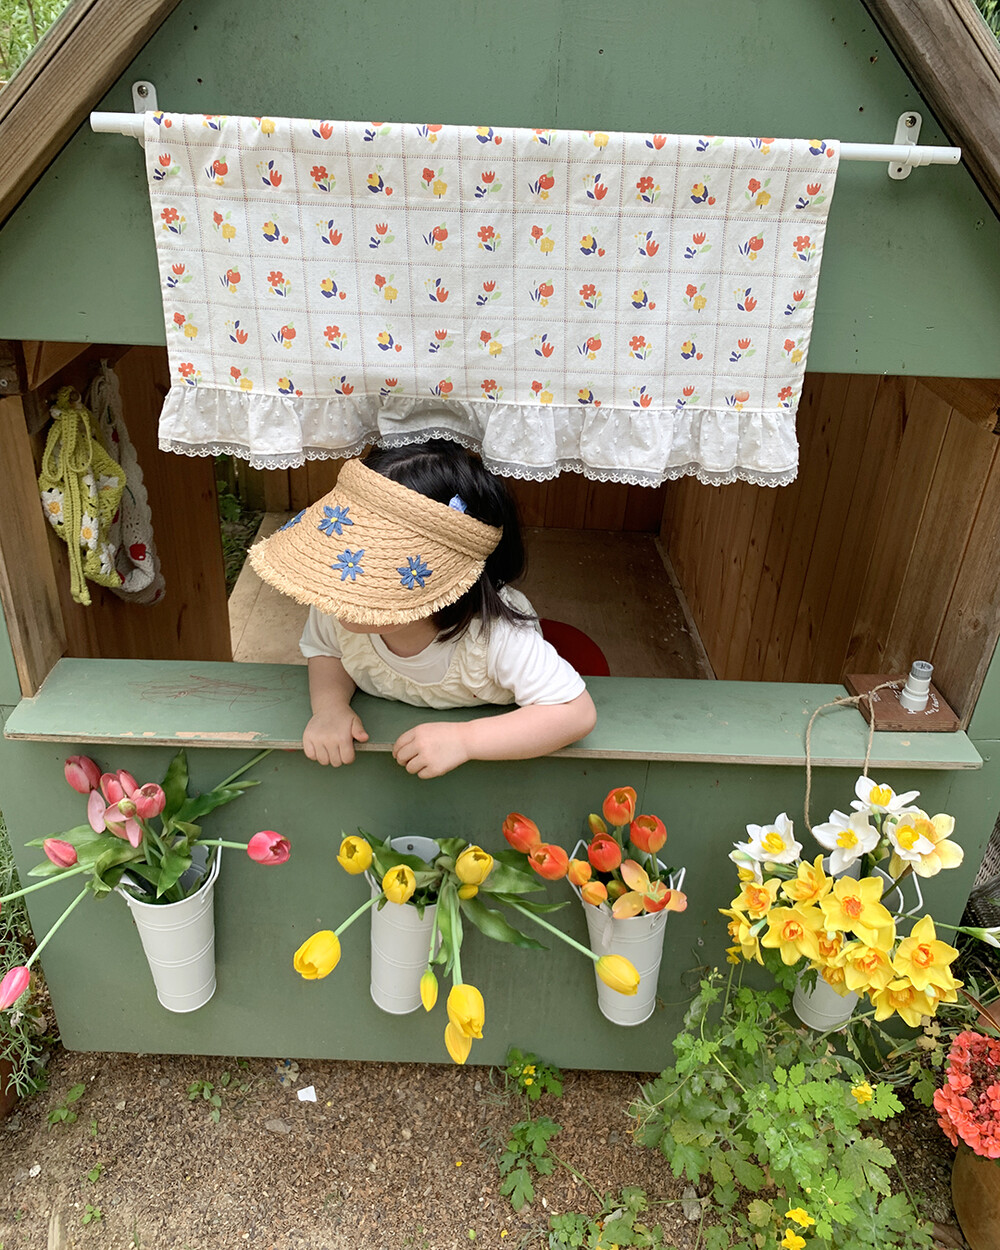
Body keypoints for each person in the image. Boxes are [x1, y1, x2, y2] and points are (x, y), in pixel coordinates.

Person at [248, 440, 597, 778]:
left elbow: (575, 713)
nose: (346, 585)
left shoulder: (496, 636)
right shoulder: (338, 599)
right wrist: (329, 708)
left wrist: (465, 740)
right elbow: (327, 652)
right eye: (349, 563)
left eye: (375, 572)